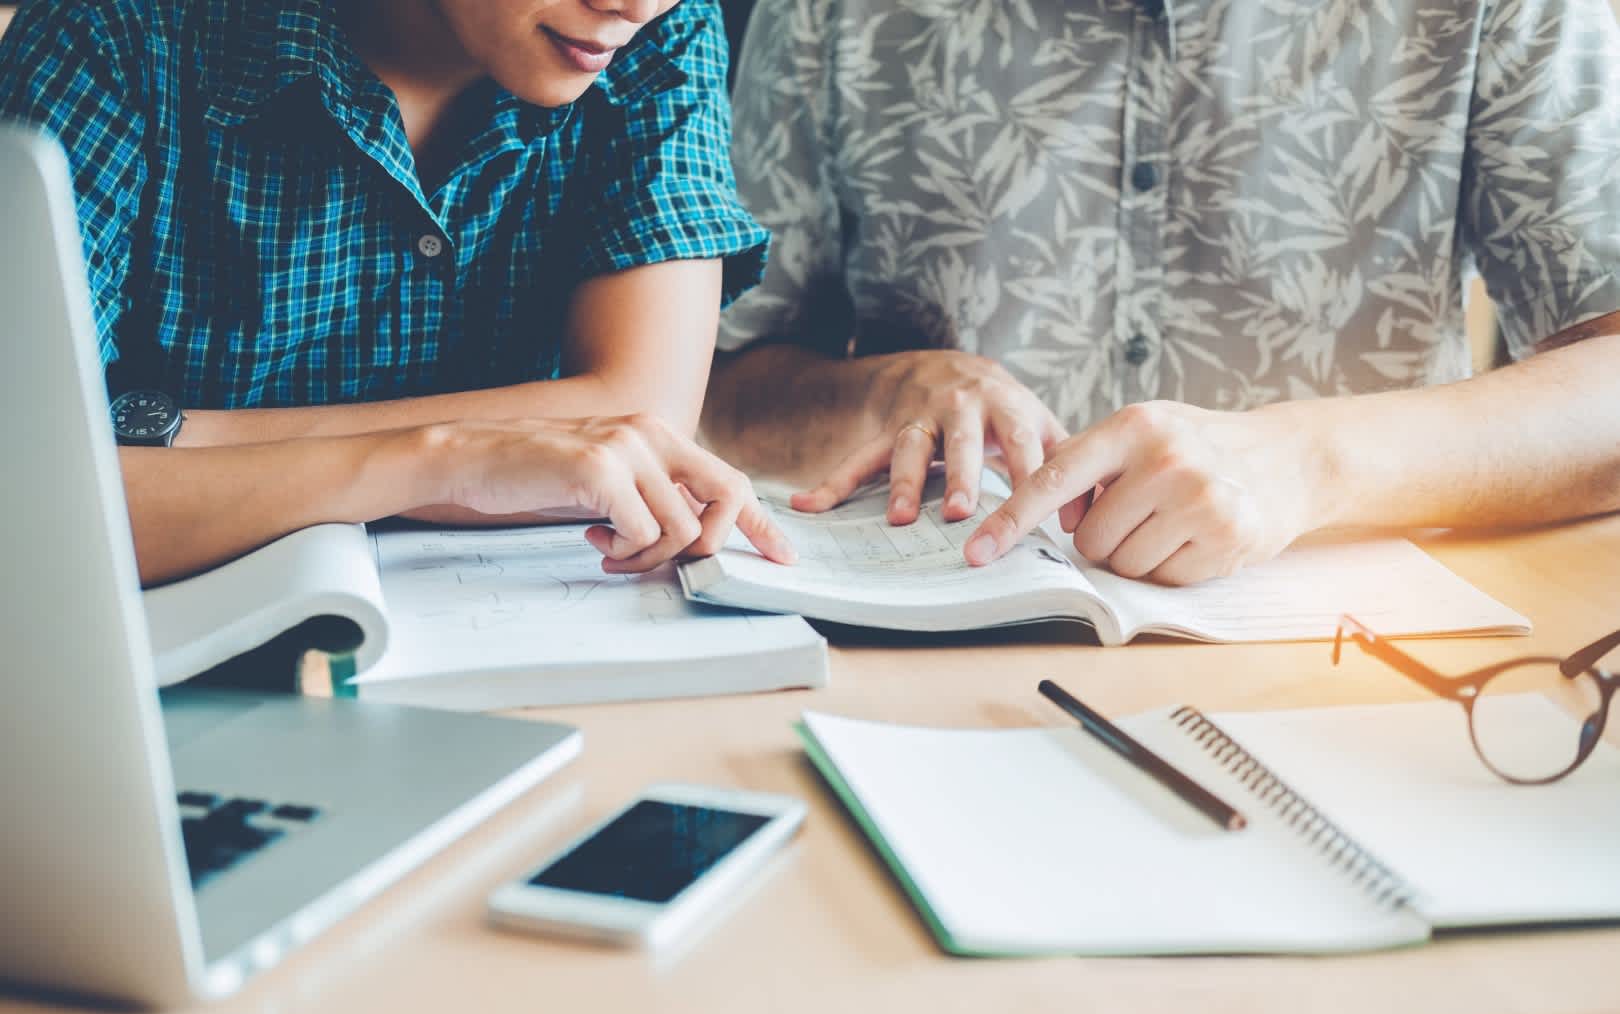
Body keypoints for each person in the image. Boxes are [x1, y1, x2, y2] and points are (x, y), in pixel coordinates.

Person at [704, 0, 1620, 585]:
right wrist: (882, 393)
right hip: (940, 623)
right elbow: (721, 382)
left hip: (1358, 640)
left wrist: (1306, 463)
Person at [0, 0, 794, 584]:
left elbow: (640, 419)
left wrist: (176, 443)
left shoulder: (661, 36)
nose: (632, 5)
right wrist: (438, 462)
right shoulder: (113, 35)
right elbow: (28, 499)